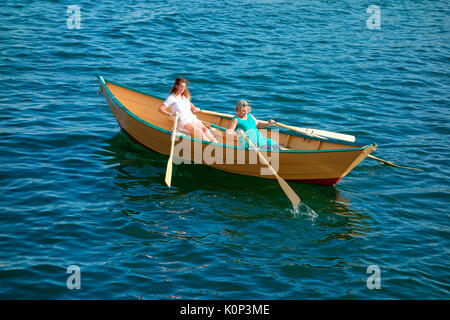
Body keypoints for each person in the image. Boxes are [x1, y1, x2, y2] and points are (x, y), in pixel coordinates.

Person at [159, 77, 217, 143]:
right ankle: (208, 146)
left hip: (191, 118)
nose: (183, 89)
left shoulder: (184, 97)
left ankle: (217, 145)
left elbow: (189, 103)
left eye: (184, 87)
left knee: (205, 130)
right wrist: (170, 114)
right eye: (181, 86)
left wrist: (194, 108)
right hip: (182, 121)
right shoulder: (171, 98)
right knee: (198, 131)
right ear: (176, 86)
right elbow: (161, 109)